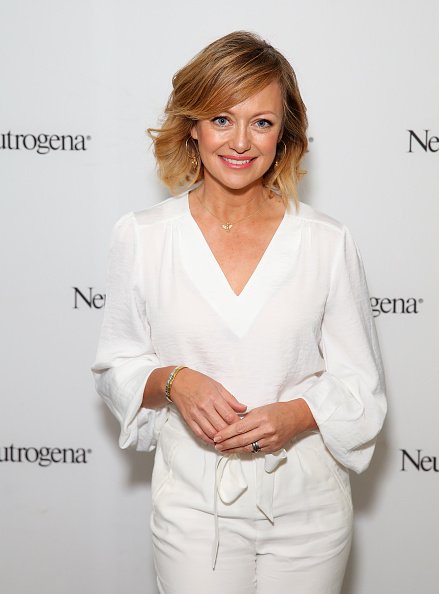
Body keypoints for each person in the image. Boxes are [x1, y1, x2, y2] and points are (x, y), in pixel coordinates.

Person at [91, 30, 387, 594]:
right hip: (193, 507)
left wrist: (296, 416)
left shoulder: (326, 241)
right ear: (193, 126)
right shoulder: (143, 236)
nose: (241, 141)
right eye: (222, 118)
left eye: (263, 121)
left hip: (310, 510)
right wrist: (175, 380)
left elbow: (361, 386)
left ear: (284, 135)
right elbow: (116, 365)